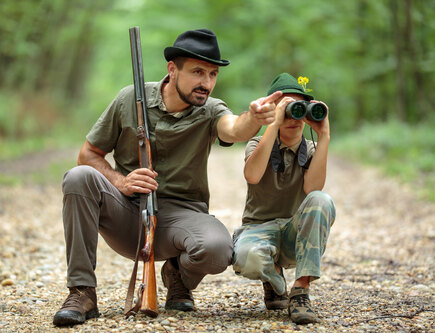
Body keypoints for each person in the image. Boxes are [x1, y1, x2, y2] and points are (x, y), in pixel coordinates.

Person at [52, 29, 282, 326]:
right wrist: (120, 181)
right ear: (172, 70)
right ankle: (81, 292)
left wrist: (254, 117)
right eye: (198, 72)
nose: (207, 83)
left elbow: (235, 129)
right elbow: (88, 154)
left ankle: (177, 275)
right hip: (127, 213)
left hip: (181, 219)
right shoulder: (128, 99)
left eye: (213, 74)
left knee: (217, 250)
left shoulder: (211, 110)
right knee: (78, 177)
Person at [231, 73, 336, 324]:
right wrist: (273, 124)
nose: (293, 117)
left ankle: (300, 290)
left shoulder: (310, 149)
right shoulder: (258, 142)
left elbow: (313, 189)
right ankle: (275, 278)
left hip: (292, 234)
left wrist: (324, 137)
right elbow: (253, 175)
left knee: (323, 199)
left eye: (299, 109)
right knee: (247, 259)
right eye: (288, 109)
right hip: (258, 230)